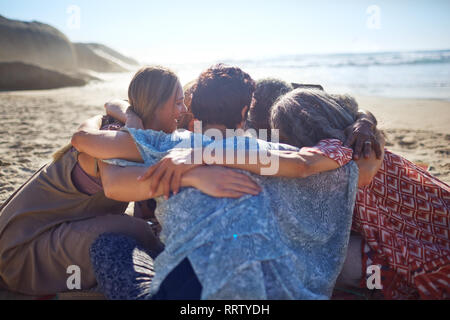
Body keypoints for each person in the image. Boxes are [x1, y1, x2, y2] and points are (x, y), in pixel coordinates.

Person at [73, 64, 383, 299]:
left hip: (190, 288)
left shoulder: (172, 145)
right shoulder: (270, 153)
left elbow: (87, 140)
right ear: (246, 110)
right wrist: (362, 124)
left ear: (193, 108)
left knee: (111, 245)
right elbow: (343, 166)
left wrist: (132, 122)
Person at [0, 65, 258, 296]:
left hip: (46, 230)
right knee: (137, 232)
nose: (184, 111)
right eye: (178, 103)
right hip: (21, 252)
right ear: (156, 104)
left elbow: (115, 103)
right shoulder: (116, 139)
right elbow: (116, 186)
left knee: (141, 229)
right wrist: (196, 175)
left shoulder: (135, 131)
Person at [270, 88, 450, 299]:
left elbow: (302, 166)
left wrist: (224, 154)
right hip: (437, 219)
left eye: (282, 135)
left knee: (329, 262)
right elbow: (363, 113)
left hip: (424, 246)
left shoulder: (338, 153)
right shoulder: (362, 138)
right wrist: (365, 120)